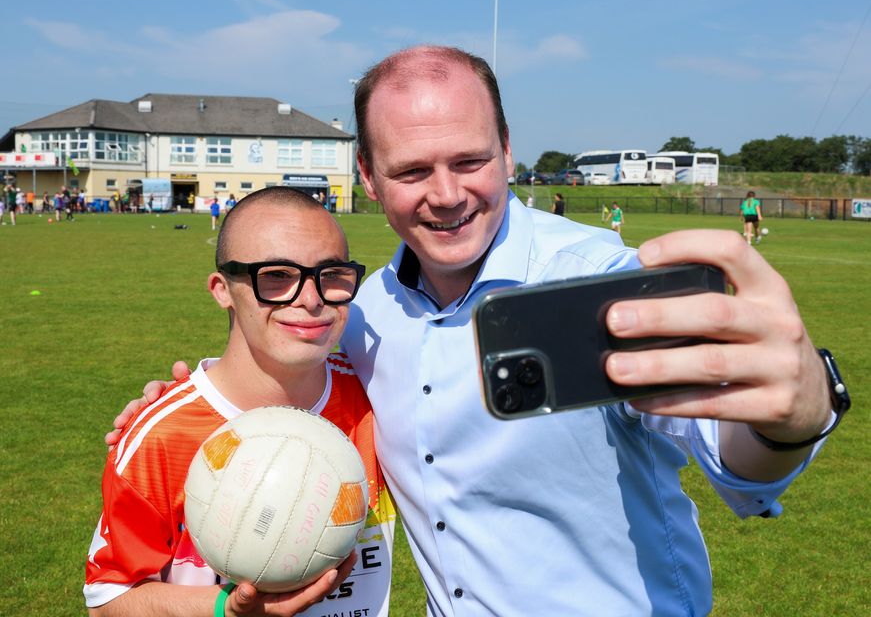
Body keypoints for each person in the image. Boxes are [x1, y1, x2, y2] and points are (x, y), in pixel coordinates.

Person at [114, 46, 839, 615]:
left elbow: (732, 455)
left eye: (469, 160)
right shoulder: (363, 314)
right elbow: (282, 382)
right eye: (411, 170)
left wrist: (795, 417)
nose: (447, 194)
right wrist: (188, 401)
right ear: (367, 176)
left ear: (507, 151)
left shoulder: (598, 283)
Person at [86, 187, 394, 617]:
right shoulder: (162, 435)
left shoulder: (378, 404)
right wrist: (223, 610)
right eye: (276, 276)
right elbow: (108, 601)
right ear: (222, 290)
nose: (310, 299)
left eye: (332, 275)